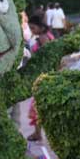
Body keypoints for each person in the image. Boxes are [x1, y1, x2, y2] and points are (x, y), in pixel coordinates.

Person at [26, 13, 54, 142]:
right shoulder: (44, 36)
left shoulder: (43, 38)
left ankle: (38, 134)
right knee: (40, 106)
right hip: (47, 75)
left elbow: (48, 57)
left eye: (33, 28)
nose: (31, 31)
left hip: (46, 76)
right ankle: (37, 133)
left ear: (40, 27)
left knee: (38, 105)